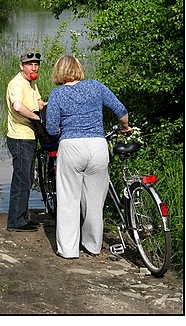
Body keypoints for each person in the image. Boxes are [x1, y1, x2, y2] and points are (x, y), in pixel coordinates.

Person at [45, 55, 132, 258]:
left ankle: (68, 250)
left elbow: (50, 128)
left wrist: (63, 129)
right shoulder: (96, 86)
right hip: (97, 146)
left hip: (71, 146)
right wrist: (125, 127)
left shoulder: (57, 94)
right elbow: (120, 110)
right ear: (78, 69)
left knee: (69, 199)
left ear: (58, 71)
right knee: (95, 200)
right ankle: (93, 245)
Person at [6, 51, 46, 232]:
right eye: (30, 64)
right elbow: (17, 106)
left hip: (29, 137)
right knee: (22, 179)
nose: (34, 67)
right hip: (19, 137)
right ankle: (15, 221)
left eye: (36, 64)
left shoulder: (32, 83)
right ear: (21, 65)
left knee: (28, 178)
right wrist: (36, 119)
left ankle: (23, 217)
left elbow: (39, 103)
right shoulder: (16, 83)